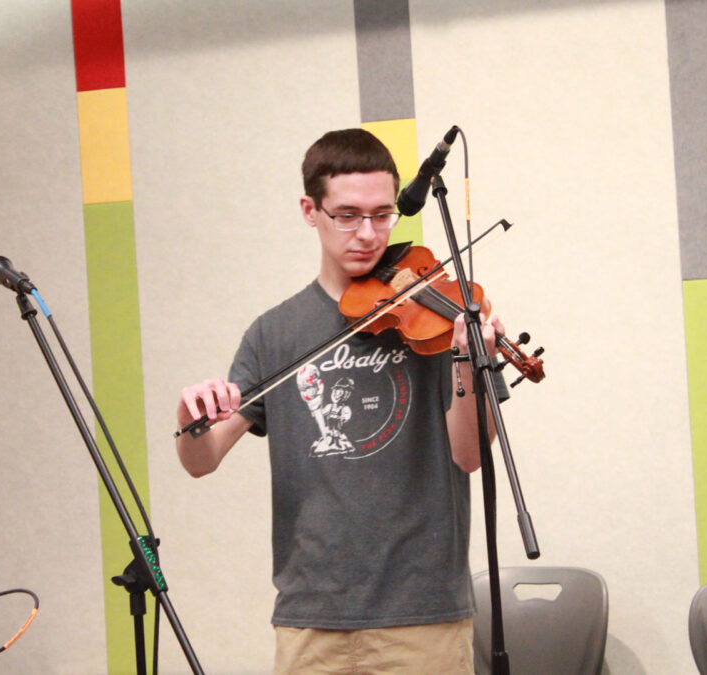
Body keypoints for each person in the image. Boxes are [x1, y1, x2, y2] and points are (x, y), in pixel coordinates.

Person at [176, 128, 505, 673]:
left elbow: (470, 456)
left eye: (382, 214)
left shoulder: (439, 316)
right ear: (311, 210)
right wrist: (189, 416)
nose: (368, 234)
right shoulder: (274, 332)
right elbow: (202, 459)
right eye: (347, 215)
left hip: (423, 615)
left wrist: (468, 360)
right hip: (312, 617)